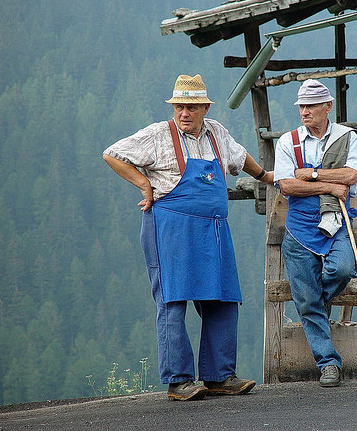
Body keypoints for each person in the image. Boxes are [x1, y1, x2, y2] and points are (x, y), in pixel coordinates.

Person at [103, 74, 273, 400]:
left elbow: (239, 157)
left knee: (222, 299)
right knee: (173, 300)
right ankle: (178, 380)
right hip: (171, 228)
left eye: (192, 107)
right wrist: (143, 185)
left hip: (213, 229)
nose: (185, 113)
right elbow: (112, 154)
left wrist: (265, 176)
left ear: (204, 108)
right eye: (180, 106)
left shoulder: (217, 133)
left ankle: (220, 376)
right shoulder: (157, 134)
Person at [273, 79, 357, 387]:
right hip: (299, 229)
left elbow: (351, 175)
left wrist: (311, 174)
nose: (305, 112)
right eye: (301, 106)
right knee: (307, 299)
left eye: (311, 106)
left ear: (328, 106)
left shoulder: (347, 137)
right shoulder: (288, 141)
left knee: (341, 270)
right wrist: (327, 184)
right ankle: (329, 363)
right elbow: (287, 185)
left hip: (337, 222)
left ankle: (312, 303)